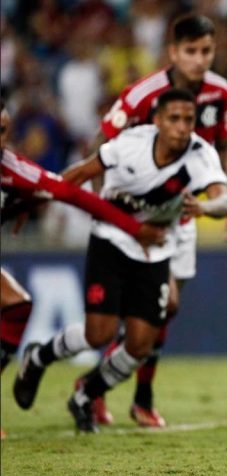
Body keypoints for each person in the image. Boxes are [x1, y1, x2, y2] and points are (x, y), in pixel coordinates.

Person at [13, 89, 227, 433]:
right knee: (98, 334)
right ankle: (39, 356)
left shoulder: (201, 155)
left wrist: (205, 206)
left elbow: (226, 201)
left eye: (188, 120)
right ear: (157, 120)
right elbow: (81, 173)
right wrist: (33, 200)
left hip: (155, 248)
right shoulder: (131, 144)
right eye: (174, 119)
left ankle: (86, 393)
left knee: (140, 344)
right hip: (111, 239)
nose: (181, 127)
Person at [93, 13, 227, 427]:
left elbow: (225, 149)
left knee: (163, 311)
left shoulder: (220, 94)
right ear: (173, 52)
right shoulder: (143, 95)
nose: (199, 59)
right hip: (140, 217)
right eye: (191, 51)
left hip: (184, 212)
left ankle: (131, 395)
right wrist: (109, 211)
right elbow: (102, 144)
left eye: (206, 51)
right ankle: (103, 389)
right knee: (160, 303)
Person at [0, 98, 166, 439]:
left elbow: (73, 194)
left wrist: (134, 228)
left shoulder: (12, 169)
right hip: (113, 249)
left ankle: (46, 363)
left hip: (140, 244)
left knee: (17, 307)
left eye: (3, 131)